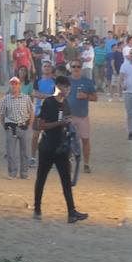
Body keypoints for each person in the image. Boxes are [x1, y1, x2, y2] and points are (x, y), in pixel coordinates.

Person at [32, 75, 87, 224]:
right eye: (65, 87)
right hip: (47, 147)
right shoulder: (49, 103)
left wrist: (68, 125)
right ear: (58, 87)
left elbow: (66, 122)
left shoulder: (66, 103)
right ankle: (37, 208)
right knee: (41, 178)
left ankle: (71, 212)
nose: (68, 90)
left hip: (62, 148)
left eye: (69, 88)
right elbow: (42, 125)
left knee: (66, 181)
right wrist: (59, 123)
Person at [66, 56, 97, 174]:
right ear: (70, 68)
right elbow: (57, 95)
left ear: (81, 68)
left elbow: (95, 97)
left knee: (85, 140)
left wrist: (86, 96)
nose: (76, 69)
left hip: (83, 116)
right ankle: (68, 162)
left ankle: (86, 163)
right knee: (68, 140)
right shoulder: (66, 81)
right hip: (69, 116)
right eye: (73, 66)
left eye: (78, 66)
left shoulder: (87, 82)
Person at [0, 75, 34, 179]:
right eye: (12, 83)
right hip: (11, 127)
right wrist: (5, 127)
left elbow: (31, 112)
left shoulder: (26, 98)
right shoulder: (5, 99)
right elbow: (2, 115)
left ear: (19, 85)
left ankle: (24, 173)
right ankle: (12, 173)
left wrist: (30, 125)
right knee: (10, 152)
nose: (14, 85)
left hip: (24, 126)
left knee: (25, 152)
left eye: (16, 83)